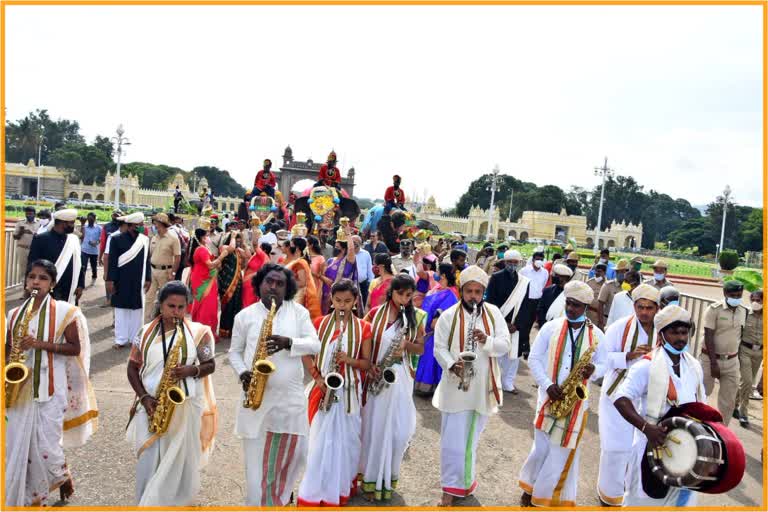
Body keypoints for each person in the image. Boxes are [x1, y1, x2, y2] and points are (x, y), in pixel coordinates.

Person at [5, 260, 98, 507]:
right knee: (18, 446)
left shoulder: (66, 313)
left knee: (47, 445)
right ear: (26, 281)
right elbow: (6, 349)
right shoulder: (14, 314)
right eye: (32, 277)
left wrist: (39, 344)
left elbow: (74, 348)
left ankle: (60, 474)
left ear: (53, 284)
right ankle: (33, 497)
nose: (36, 282)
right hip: (20, 388)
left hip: (50, 388)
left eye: (43, 278)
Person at [228, 264, 321, 506]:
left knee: (290, 460)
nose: (273, 287)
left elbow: (315, 344)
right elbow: (234, 353)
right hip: (255, 402)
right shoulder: (244, 316)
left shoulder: (298, 313)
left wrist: (289, 342)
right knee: (256, 466)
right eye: (269, 281)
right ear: (259, 283)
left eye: (280, 284)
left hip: (288, 403)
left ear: (287, 288)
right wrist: (242, 373)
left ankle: (278, 500)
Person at [125, 281, 217, 506]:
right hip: (150, 405)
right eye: (171, 306)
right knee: (147, 458)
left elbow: (210, 364)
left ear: (188, 307)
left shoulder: (199, 333)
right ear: (161, 305)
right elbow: (132, 367)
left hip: (184, 406)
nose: (175, 312)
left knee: (179, 460)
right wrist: (145, 398)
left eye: (181, 307)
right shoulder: (144, 332)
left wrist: (192, 370)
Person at [519, 280, 605, 508]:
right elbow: (534, 359)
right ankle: (530, 487)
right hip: (548, 397)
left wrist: (594, 370)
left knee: (563, 453)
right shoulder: (551, 327)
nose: (571, 308)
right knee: (542, 448)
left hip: (576, 403)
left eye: (576, 305)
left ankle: (545, 498)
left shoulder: (596, 335)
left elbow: (605, 364)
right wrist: (547, 385)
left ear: (586, 307)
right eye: (569, 303)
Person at [431, 266, 511, 506]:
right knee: (452, 443)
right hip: (455, 388)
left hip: (481, 388)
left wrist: (487, 341)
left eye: (478, 292)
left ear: (483, 292)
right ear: (462, 291)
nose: (473, 296)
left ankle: (465, 484)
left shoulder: (494, 313)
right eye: (469, 291)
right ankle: (449, 489)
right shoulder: (448, 316)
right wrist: (451, 365)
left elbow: (505, 344)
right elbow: (439, 349)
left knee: (470, 442)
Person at [612, 305, 707, 507]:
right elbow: (621, 399)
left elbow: (702, 405)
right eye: (674, 332)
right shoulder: (646, 365)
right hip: (652, 449)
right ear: (662, 334)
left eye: (684, 332)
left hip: (687, 452)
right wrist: (648, 429)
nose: (681, 338)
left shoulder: (693, 365)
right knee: (643, 503)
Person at [297, 280, 373, 507]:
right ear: (331, 299)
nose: (342, 305)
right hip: (323, 391)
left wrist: (348, 360)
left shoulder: (363, 328)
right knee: (320, 444)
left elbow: (367, 364)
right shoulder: (319, 324)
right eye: (338, 300)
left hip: (348, 392)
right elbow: (306, 354)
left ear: (355, 301)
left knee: (346, 443)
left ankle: (339, 488)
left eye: (347, 301)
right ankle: (315, 489)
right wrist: (317, 377)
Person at [360, 274, 426, 502]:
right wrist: (369, 366)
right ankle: (369, 480)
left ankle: (387, 478)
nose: (405, 300)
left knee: (398, 432)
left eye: (409, 295)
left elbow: (420, 349)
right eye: (401, 294)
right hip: (376, 377)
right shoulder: (374, 314)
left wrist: (406, 345)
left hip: (399, 380)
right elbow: (362, 342)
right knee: (374, 429)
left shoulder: (416, 317)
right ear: (392, 292)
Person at [594, 284, 660, 506]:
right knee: (615, 447)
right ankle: (608, 494)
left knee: (639, 449)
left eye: (649, 308)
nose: (644, 312)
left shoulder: (663, 331)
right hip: (616, 395)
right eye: (640, 307)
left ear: (657, 309)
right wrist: (628, 355)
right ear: (634, 306)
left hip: (647, 398)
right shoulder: (619, 328)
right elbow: (602, 359)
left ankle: (630, 494)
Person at [701, 280, 748, 426]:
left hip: (732, 361)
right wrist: (714, 363)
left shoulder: (743, 311)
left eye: (739, 295)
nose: (736, 297)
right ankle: (697, 425)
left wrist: (738, 361)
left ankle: (722, 430)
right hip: (710, 359)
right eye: (733, 295)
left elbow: (739, 336)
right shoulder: (714, 310)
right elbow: (708, 336)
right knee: (702, 393)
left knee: (728, 401)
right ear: (725, 294)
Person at [485, 250, 532, 394]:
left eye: (515, 262)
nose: (512, 265)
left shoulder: (524, 282)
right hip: (499, 321)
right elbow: (490, 302)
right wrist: (503, 323)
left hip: (516, 325)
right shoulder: (495, 278)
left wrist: (517, 324)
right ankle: (494, 381)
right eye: (510, 262)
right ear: (505, 262)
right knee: (498, 352)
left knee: (513, 355)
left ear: (519, 263)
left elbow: (525, 305)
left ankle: (508, 383)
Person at [107, 212, 152, 348]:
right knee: (121, 310)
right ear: (130, 225)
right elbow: (112, 262)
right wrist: (110, 280)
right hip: (121, 279)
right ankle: (120, 339)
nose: (141, 227)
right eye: (138, 225)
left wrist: (148, 278)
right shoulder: (116, 239)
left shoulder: (144, 240)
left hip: (138, 280)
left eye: (142, 225)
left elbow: (147, 261)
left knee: (137, 310)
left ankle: (135, 339)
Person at [415, 262, 460, 395]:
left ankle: (429, 387)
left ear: (443, 275)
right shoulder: (437, 288)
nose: (435, 274)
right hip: (426, 330)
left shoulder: (450, 294)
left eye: (438, 272)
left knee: (431, 358)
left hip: (436, 333)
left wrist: (432, 324)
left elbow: (442, 316)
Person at [28, 209, 84, 304]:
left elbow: (79, 264)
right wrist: (29, 287)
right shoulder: (41, 239)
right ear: (63, 223)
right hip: (47, 288)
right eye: (72, 223)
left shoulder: (73, 240)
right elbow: (31, 265)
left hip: (70, 288)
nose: (73, 226)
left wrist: (81, 285)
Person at [188, 227, 230, 338]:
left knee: (208, 305)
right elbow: (210, 265)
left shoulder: (204, 247)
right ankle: (203, 334)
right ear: (202, 238)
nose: (208, 238)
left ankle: (205, 332)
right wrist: (222, 256)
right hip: (203, 280)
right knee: (206, 306)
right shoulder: (201, 249)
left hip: (206, 278)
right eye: (206, 236)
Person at [145, 213, 181, 323]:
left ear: (162, 224)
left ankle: (165, 322)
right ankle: (146, 324)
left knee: (165, 298)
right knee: (148, 298)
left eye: (156, 222)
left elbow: (178, 257)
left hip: (166, 272)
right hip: (153, 271)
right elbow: (150, 254)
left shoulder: (173, 238)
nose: (154, 225)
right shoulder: (154, 237)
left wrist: (173, 273)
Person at [736, 289, 763, 427]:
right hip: (745, 350)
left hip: (759, 353)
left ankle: (734, 405)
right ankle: (743, 412)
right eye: (753, 300)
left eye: (759, 300)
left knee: (745, 382)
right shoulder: (745, 314)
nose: (755, 303)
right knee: (747, 382)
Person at [284, 237, 323, 320]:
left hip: (297, 296)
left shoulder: (300, 263)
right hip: (291, 294)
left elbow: (302, 283)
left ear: (297, 248)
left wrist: (285, 281)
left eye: (291, 245)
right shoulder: (296, 261)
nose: (289, 247)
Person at [319, 234, 358, 315]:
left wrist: (347, 233)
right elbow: (322, 275)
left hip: (340, 294)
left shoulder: (347, 261)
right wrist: (322, 276)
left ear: (344, 249)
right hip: (326, 294)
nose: (335, 249)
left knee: (340, 316)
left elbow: (351, 249)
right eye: (335, 246)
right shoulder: (330, 260)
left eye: (337, 247)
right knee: (326, 317)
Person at [217, 227, 243, 338]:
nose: (237, 242)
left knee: (236, 306)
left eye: (238, 240)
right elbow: (231, 247)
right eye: (236, 240)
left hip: (237, 282)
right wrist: (232, 236)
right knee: (228, 306)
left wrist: (244, 243)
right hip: (227, 282)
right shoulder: (224, 247)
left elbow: (248, 255)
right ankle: (224, 330)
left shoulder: (237, 250)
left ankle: (233, 330)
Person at [241, 228, 269, 308]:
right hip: (246, 283)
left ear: (264, 250)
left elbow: (255, 245)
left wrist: (255, 235)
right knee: (244, 303)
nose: (259, 248)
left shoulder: (263, 256)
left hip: (252, 284)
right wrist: (243, 242)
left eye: (261, 247)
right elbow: (247, 254)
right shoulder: (255, 256)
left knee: (248, 304)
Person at [597, 259, 629, 328]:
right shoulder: (608, 285)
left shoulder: (629, 287)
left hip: (624, 323)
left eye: (624, 271)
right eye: (620, 272)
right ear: (616, 272)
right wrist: (601, 323)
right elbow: (600, 305)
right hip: (608, 321)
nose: (622, 274)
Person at [13, 205, 39, 278]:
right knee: (23, 268)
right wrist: (21, 232)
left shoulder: (39, 223)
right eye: (27, 214)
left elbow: (41, 236)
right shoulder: (20, 223)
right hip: (22, 249)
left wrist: (32, 233)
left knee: (34, 267)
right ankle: (24, 285)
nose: (28, 215)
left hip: (34, 249)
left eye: (30, 214)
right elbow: (15, 237)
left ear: (34, 214)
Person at [353, 235, 375, 310]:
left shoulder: (366, 254)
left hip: (363, 284)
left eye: (355, 242)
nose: (354, 244)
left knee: (365, 303)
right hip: (351, 283)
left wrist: (371, 283)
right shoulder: (347, 254)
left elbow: (369, 269)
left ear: (360, 243)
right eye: (352, 242)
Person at [79, 212, 101, 286]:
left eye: (92, 218)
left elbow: (101, 238)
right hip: (84, 250)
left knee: (93, 266)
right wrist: (82, 224)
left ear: (94, 219)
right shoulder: (84, 227)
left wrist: (96, 242)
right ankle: (82, 283)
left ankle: (94, 276)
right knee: (83, 266)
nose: (90, 220)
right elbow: (81, 236)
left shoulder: (99, 228)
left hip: (94, 251)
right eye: (89, 218)